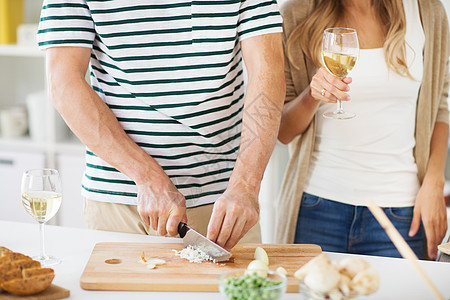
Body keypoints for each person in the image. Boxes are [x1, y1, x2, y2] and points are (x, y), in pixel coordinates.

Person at [37, 0, 285, 250]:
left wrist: (246, 185)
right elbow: (63, 82)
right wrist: (147, 178)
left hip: (223, 202)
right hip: (120, 200)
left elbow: (268, 71)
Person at [275, 0, 449, 259]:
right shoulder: (296, 14)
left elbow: (441, 104)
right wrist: (313, 96)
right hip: (318, 207)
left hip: (401, 210)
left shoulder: (426, 11)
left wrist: (435, 180)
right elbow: (283, 130)